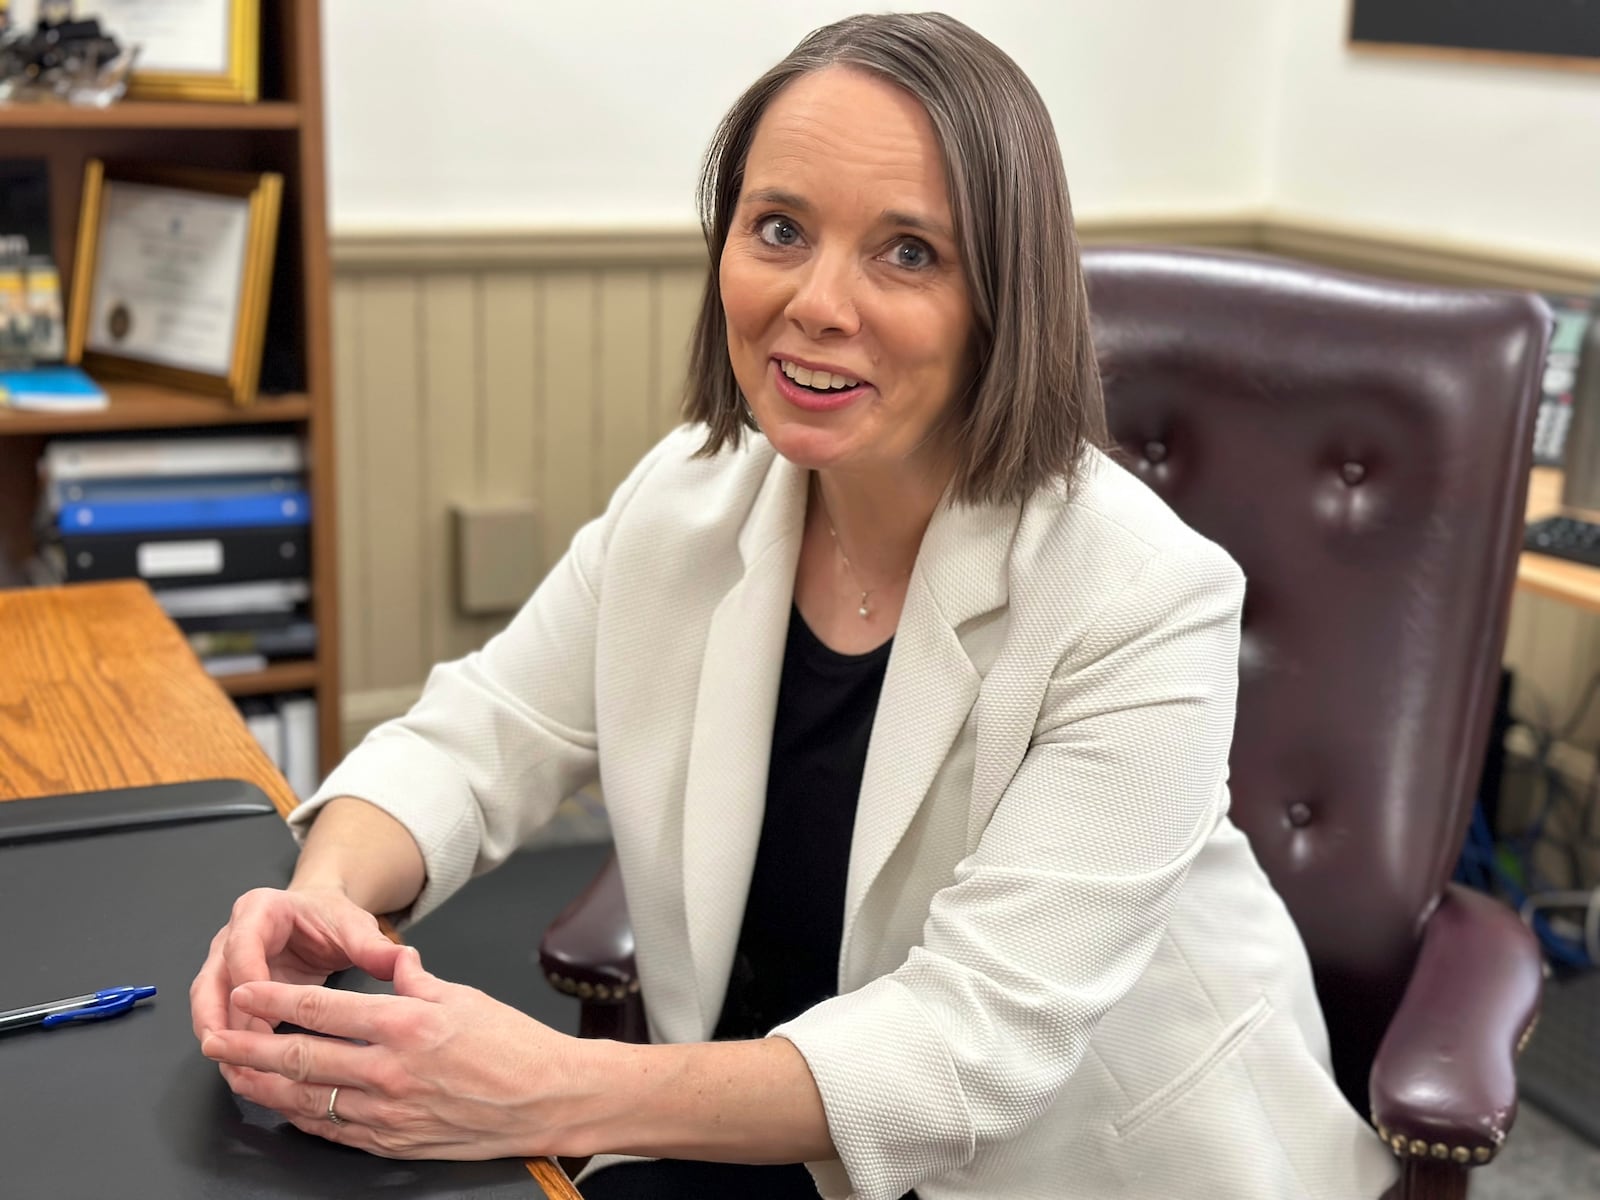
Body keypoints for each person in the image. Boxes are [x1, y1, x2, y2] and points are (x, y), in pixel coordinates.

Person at [190, 13, 1398, 1200]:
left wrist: (547, 1084)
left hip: (1078, 1166)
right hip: (765, 1125)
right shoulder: (687, 499)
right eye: (779, 229)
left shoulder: (1143, 598)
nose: (818, 302)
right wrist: (325, 895)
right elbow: (481, 734)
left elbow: (964, 1050)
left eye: (907, 251)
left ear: (1005, 300)